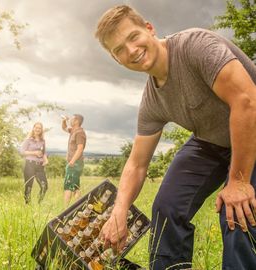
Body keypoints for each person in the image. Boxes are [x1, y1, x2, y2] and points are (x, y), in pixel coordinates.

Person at [95, 5, 256, 270]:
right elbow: (137, 164)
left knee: (237, 214)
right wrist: (119, 211)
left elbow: (247, 99)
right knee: (168, 206)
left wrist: (239, 182)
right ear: (116, 59)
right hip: (213, 141)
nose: (131, 51)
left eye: (133, 37)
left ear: (149, 28)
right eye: (119, 50)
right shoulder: (152, 101)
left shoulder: (195, 46)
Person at [62, 114, 86, 206]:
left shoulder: (79, 133)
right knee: (76, 187)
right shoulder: (73, 131)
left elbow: (80, 148)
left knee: (68, 186)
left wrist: (72, 161)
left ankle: (65, 209)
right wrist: (64, 120)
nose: (70, 120)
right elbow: (64, 128)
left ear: (76, 121)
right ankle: (78, 206)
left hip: (75, 164)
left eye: (71, 118)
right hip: (75, 163)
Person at [21, 122, 48, 204]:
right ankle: (27, 206)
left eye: (39, 128)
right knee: (28, 187)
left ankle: (39, 204)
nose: (37, 129)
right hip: (30, 165)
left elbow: (43, 153)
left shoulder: (43, 141)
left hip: (39, 166)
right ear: (33, 128)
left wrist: (46, 160)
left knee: (44, 186)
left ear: (41, 130)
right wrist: (34, 153)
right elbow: (22, 151)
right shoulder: (28, 140)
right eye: (36, 127)